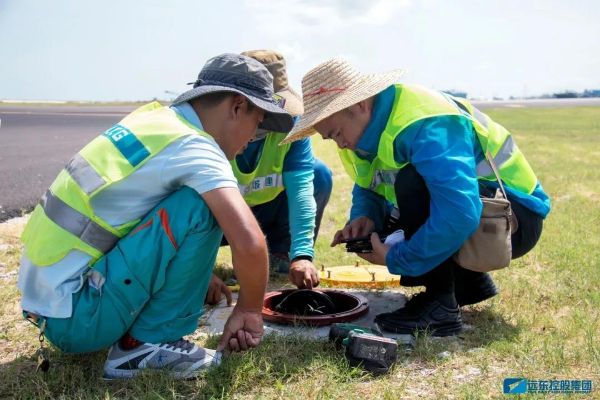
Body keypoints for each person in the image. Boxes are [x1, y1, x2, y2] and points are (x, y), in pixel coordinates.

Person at [17, 53, 293, 379]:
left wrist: (192, 275)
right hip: (78, 316)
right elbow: (249, 241)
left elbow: (130, 214)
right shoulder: (197, 148)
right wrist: (248, 310)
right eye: (258, 122)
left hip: (54, 305)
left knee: (198, 199)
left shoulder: (155, 123)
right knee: (205, 205)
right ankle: (147, 345)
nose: (253, 139)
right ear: (236, 107)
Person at [281, 58, 550, 336]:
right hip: (482, 216)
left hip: (512, 220)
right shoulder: (359, 131)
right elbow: (368, 186)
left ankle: (440, 309)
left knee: (414, 182)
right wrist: (366, 217)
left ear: (359, 105)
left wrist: (398, 258)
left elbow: (459, 212)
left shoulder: (425, 121)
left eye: (337, 133)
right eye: (330, 138)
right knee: (406, 201)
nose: (340, 144)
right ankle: (467, 284)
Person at [228, 50, 332, 289]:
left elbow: (302, 191)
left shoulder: (291, 125)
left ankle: (281, 253)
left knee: (319, 174)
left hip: (267, 210)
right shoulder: (215, 129)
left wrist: (302, 255)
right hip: (222, 218)